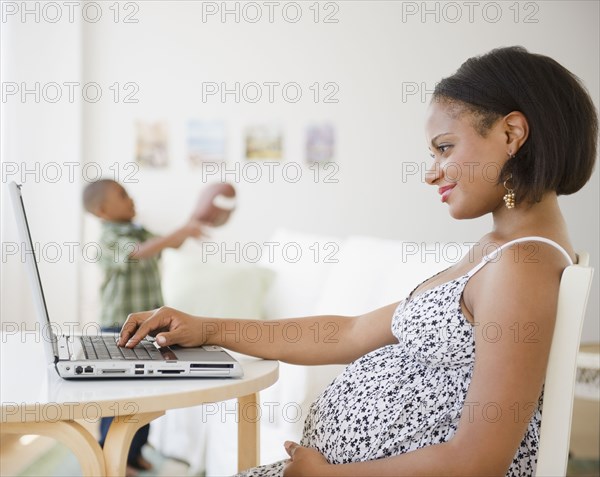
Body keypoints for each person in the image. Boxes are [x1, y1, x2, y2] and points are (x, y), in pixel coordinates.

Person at [117, 46, 598, 477]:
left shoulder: (523, 265)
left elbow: (480, 459)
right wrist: (206, 327)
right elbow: (348, 333)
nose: (431, 173)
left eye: (445, 148)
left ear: (512, 134)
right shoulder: (499, 251)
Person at [82, 179, 222, 475]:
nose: (131, 198)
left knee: (146, 392)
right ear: (103, 210)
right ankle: (110, 453)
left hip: (148, 326)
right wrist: (180, 230)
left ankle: (134, 452)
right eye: (122, 195)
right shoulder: (108, 238)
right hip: (117, 326)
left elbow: (168, 242)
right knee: (117, 396)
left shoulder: (139, 230)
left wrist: (191, 223)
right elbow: (137, 252)